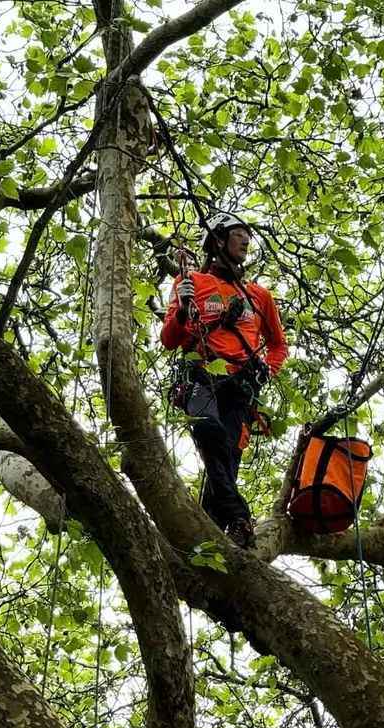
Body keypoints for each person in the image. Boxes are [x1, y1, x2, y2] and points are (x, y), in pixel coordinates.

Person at [161, 211, 288, 549]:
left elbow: (278, 344)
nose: (246, 240)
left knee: (228, 452)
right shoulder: (191, 283)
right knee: (208, 428)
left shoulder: (258, 296)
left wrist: (268, 370)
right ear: (218, 241)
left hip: (242, 385)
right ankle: (238, 515)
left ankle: (214, 521)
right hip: (201, 375)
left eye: (248, 235)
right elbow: (170, 340)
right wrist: (184, 308)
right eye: (238, 234)